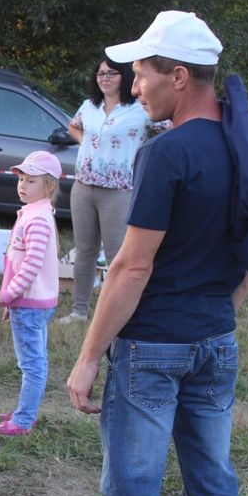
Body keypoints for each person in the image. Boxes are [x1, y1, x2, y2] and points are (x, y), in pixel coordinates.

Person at [67, 11, 248, 496]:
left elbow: (130, 268)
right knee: (215, 493)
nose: (133, 84)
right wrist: (223, 313)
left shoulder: (166, 153)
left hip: (150, 350)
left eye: (141, 74)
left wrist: (89, 355)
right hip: (215, 344)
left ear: (179, 76)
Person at [59, 56, 154, 324]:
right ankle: (79, 311)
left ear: (124, 77)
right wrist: (89, 143)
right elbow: (73, 125)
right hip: (83, 186)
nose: (105, 78)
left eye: (111, 73)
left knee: (117, 256)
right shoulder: (90, 106)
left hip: (119, 190)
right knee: (84, 251)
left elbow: (171, 126)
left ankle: (118, 314)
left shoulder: (139, 108)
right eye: (101, 74)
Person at [0, 152, 62, 436]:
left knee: (32, 364)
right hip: (28, 303)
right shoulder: (33, 212)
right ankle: (24, 412)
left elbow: (31, 266)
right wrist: (12, 298)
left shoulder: (38, 218)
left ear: (49, 186)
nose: (22, 186)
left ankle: (24, 420)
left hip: (30, 305)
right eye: (20, 179)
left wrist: (7, 295)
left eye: (31, 181)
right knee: (34, 362)